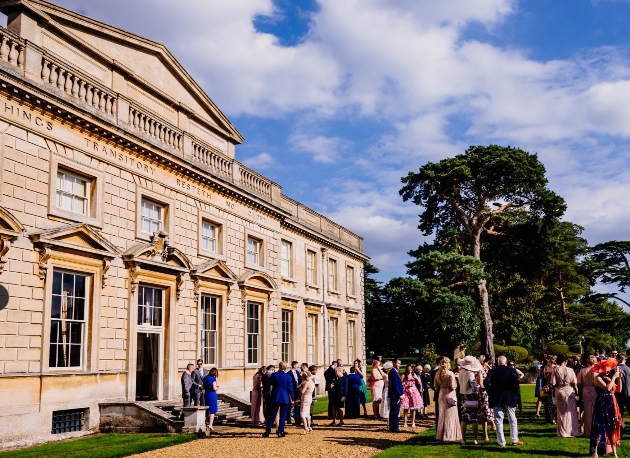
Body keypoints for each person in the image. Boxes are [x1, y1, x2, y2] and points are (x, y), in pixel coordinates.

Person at [484, 355, 523, 447]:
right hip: (509, 396)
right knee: (512, 419)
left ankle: (501, 442)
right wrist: (513, 392)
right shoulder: (511, 370)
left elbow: (486, 382)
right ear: (505, 363)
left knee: (498, 420)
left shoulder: (492, 371)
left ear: (498, 362)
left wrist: (491, 391)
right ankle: (514, 439)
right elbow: (516, 383)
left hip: (497, 397)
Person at [590, 358, 623, 457]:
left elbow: (618, 390)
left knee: (612, 427)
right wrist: (614, 377)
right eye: (607, 369)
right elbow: (607, 387)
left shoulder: (608, 378)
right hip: (601, 403)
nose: (608, 371)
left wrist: (619, 378)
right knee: (599, 426)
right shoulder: (597, 378)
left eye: (609, 369)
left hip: (610, 403)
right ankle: (594, 451)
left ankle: (614, 451)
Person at [263, 361, 294, 438]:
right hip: (284, 398)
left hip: (275, 397)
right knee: (283, 416)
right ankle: (280, 432)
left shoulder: (274, 375)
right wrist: (293, 398)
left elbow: (267, 385)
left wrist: (264, 392)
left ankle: (267, 432)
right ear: (285, 367)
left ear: (279, 366)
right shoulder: (288, 377)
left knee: (272, 415)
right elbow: (290, 389)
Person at [552, 354, 580, 437]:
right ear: (566, 361)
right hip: (569, 390)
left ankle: (563, 432)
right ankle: (572, 431)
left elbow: (553, 383)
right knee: (571, 411)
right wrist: (577, 392)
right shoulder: (570, 370)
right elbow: (574, 383)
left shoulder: (556, 370)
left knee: (561, 412)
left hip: (559, 391)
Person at [435, 357, 461, 441]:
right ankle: (450, 435)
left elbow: (436, 387)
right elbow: (453, 387)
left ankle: (441, 435)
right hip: (450, 395)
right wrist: (457, 379)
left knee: (442, 415)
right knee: (451, 415)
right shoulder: (450, 373)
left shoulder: (437, 373)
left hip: (441, 395)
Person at [458, 356, 482, 445]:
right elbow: (474, 387)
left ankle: (463, 439)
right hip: (471, 396)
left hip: (463, 396)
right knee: (474, 418)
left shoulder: (461, 372)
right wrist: (478, 387)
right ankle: (475, 438)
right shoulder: (470, 373)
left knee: (464, 418)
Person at [578, 355, 598, 437]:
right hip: (595, 390)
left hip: (585, 390)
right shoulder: (597, 371)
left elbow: (579, 383)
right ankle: (595, 429)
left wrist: (579, 394)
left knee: (587, 410)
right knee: (595, 410)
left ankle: (587, 430)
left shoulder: (582, 371)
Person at [477, 355, 495, 442]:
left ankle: (492, 423)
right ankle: (485, 434)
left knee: (491, 410)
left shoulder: (487, 370)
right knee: (485, 414)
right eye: (487, 362)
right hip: (483, 393)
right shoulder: (480, 370)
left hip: (489, 393)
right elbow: (480, 384)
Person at [400, 364, 423, 428]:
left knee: (413, 408)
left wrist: (416, 378)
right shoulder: (404, 375)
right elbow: (400, 383)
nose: (410, 369)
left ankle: (413, 422)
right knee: (406, 408)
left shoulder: (414, 375)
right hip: (406, 392)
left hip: (413, 392)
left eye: (411, 368)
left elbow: (419, 383)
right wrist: (405, 385)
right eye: (409, 368)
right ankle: (405, 422)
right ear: (407, 368)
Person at [388, 359, 404, 432]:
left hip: (394, 394)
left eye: (400, 363)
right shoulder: (393, 372)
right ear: (394, 363)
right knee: (395, 411)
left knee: (394, 411)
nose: (399, 365)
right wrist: (399, 394)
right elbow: (394, 385)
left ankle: (392, 426)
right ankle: (394, 427)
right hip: (395, 395)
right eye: (398, 363)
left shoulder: (394, 372)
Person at [203, 367, 219, 431]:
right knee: (212, 410)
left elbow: (202, 387)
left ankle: (207, 422)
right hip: (212, 395)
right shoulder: (213, 379)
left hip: (206, 394)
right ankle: (210, 424)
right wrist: (217, 388)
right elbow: (214, 388)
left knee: (207, 409)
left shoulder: (205, 378)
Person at [288, 361, 301, 426]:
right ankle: (289, 419)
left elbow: (299, 380)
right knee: (291, 405)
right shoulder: (289, 373)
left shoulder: (297, 372)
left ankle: (297, 419)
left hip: (297, 390)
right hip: (292, 390)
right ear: (294, 365)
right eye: (297, 365)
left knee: (297, 405)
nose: (298, 366)